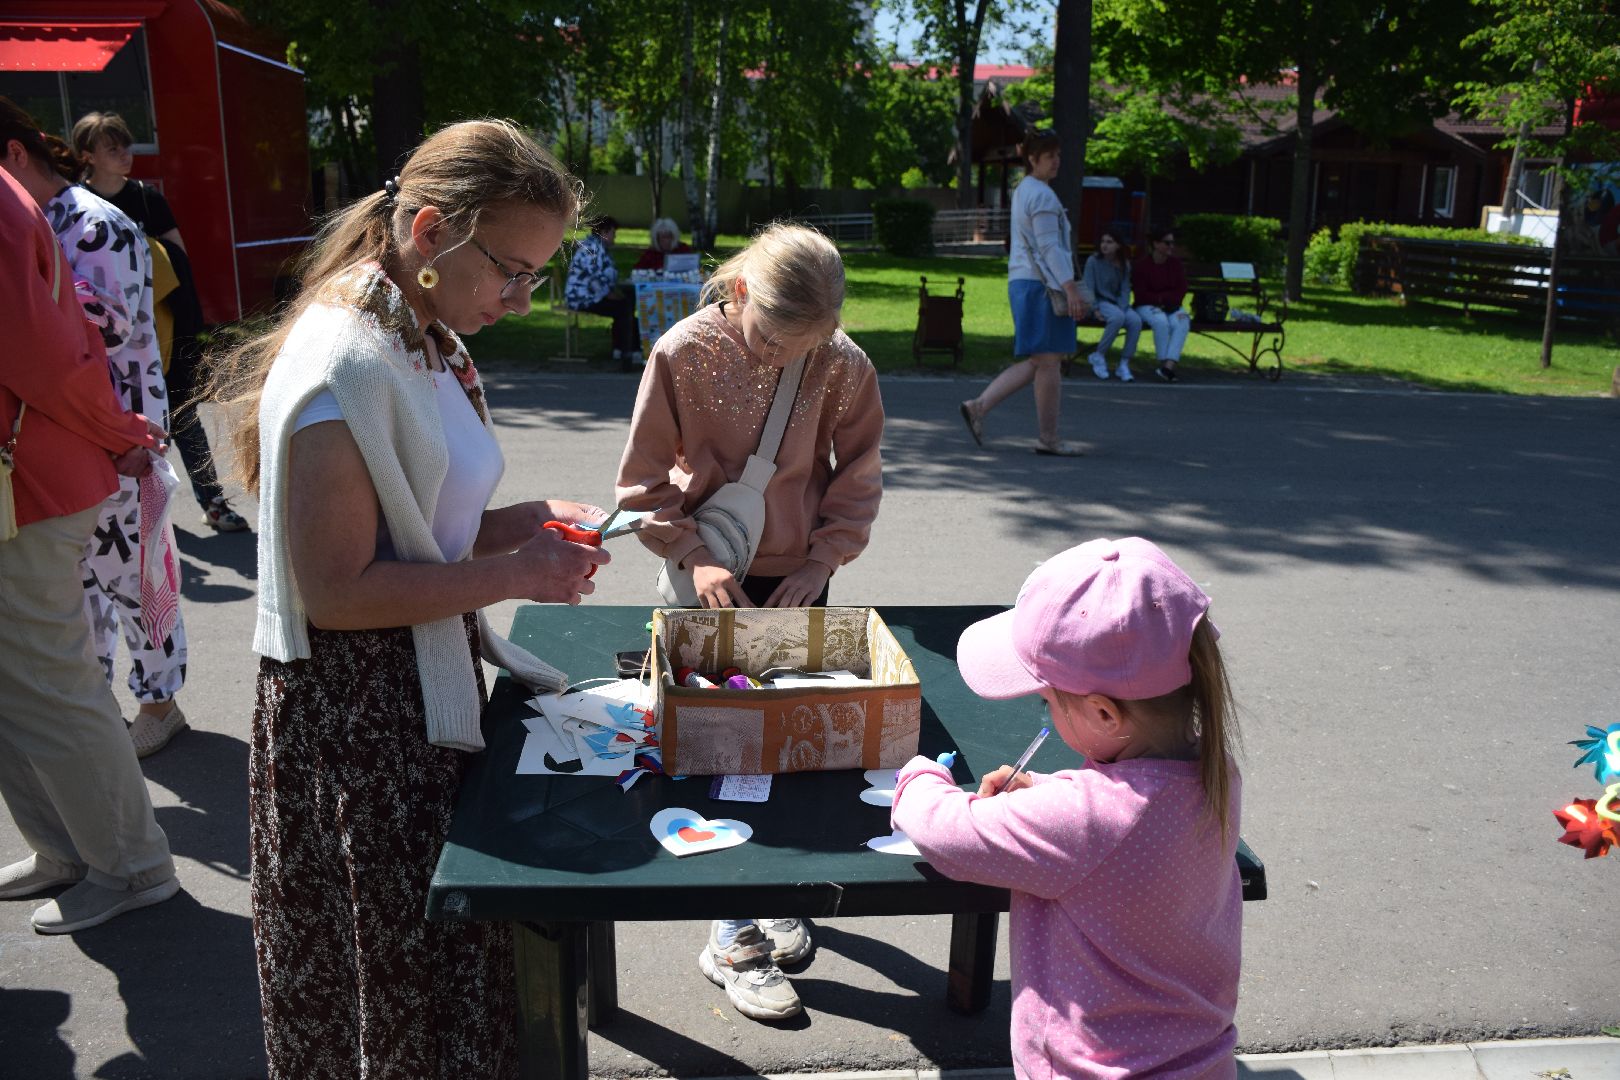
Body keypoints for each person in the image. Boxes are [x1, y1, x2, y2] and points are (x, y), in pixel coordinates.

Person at [206, 119, 609, 1076]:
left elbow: (421, 523)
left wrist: (523, 521)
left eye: (534, 276)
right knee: (395, 1000)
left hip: (415, 701)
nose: (517, 299)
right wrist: (516, 576)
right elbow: (338, 593)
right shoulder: (346, 360)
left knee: (439, 986)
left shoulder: (421, 327)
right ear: (429, 232)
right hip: (358, 729)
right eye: (509, 271)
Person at [615, 221, 884, 1020]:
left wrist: (821, 561)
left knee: (788, 745)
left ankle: (775, 887)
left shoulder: (839, 362)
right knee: (711, 745)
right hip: (704, 575)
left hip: (798, 578)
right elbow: (639, 486)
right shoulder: (682, 352)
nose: (777, 357)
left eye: (799, 345)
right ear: (737, 294)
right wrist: (695, 556)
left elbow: (858, 472)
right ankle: (729, 926)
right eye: (769, 337)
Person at [891, 537, 1243, 1079]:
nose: (1044, 712)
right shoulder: (1213, 773)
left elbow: (942, 830)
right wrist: (1051, 791)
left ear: (1105, 714)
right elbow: (1122, 826)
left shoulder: (1083, 818)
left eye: (1046, 700)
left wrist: (920, 774)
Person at [0, 141, 181, 934]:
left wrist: (120, 431)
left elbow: (50, 351)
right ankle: (73, 850)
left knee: (52, 682)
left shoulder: (40, 210)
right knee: (29, 685)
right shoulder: (23, 202)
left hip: (34, 473)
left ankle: (130, 864)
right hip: (40, 464)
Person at [71, 109, 249, 532]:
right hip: (107, 342)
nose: (124, 154)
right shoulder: (78, 204)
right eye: (111, 147)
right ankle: (138, 515)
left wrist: (191, 327)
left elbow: (179, 263)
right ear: (87, 155)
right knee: (124, 429)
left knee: (184, 418)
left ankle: (213, 503)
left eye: (126, 145)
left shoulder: (147, 198)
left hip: (161, 331)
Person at [959, 131, 1089, 457]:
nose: (1056, 161)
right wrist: (1070, 287)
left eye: (1058, 154)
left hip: (1026, 283)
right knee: (1048, 364)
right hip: (1041, 286)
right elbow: (1049, 246)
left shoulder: (1024, 191)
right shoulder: (1042, 195)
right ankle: (1048, 439)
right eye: (1050, 156)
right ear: (1032, 159)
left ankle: (979, 406)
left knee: (1041, 361)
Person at [564, 214, 642, 363]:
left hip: (587, 296)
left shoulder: (596, 247)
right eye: (613, 233)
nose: (615, 237)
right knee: (624, 307)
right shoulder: (593, 248)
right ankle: (628, 352)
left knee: (625, 306)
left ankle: (620, 350)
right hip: (582, 299)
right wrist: (611, 294)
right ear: (604, 232)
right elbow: (596, 281)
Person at [1081, 228, 1141, 381]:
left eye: (1109, 242)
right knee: (1117, 317)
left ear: (1118, 245)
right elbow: (1089, 288)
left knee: (1135, 321)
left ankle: (1124, 363)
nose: (1104, 245)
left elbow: (1125, 288)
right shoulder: (1093, 261)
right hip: (1100, 302)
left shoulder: (1124, 264)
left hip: (1117, 304)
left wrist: (1122, 306)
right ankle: (1099, 355)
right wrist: (1094, 309)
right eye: (1102, 241)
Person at [1134, 224, 1191, 382]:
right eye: (1167, 243)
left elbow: (1182, 288)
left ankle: (1168, 366)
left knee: (1183, 321)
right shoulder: (1142, 266)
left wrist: (1165, 299)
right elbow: (1141, 294)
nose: (1171, 246)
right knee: (1160, 321)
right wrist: (1159, 299)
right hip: (1147, 306)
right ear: (1155, 244)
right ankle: (1164, 363)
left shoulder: (1175, 264)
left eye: (1173, 243)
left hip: (1172, 305)